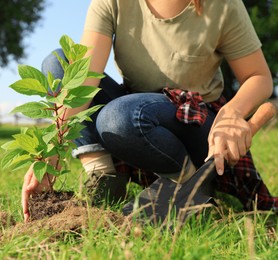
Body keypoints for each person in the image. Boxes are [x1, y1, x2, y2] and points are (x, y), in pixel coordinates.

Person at [21, 0, 277, 222]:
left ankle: (190, 183)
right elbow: (85, 77)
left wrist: (232, 113)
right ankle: (104, 179)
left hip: (194, 127)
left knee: (117, 117)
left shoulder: (222, 5)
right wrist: (53, 146)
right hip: (134, 115)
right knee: (59, 63)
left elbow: (258, 76)